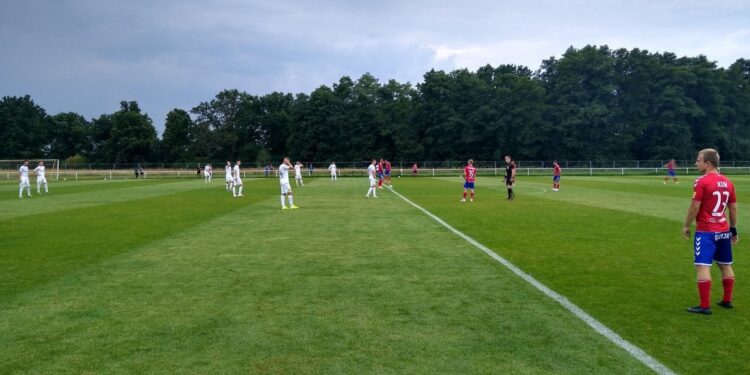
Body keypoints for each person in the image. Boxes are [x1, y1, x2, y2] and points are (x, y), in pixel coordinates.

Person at [682, 148, 737, 315]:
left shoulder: (701, 181)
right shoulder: (728, 182)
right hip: (723, 229)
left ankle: (704, 306)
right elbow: (733, 208)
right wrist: (733, 229)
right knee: (725, 264)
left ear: (708, 163)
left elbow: (695, 206)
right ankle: (727, 301)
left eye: (698, 160)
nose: (696, 163)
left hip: (706, 230)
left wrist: (686, 225)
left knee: (702, 266)